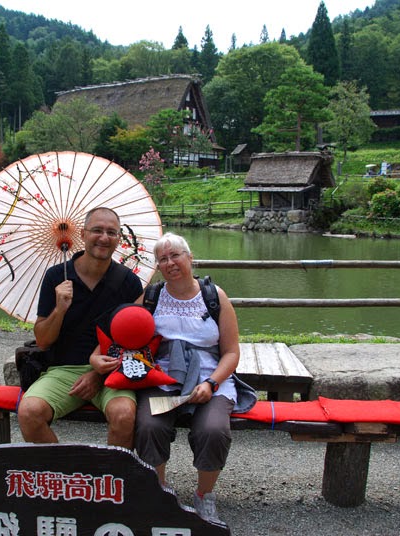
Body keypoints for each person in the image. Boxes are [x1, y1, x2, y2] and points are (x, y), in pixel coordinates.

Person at [129, 232, 255, 524]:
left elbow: (231, 352)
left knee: (213, 430)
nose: (170, 263)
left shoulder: (215, 296)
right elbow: (124, 329)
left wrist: (211, 384)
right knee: (149, 426)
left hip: (210, 377)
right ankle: (158, 491)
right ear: (158, 266)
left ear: (190, 257)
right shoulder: (151, 296)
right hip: (162, 378)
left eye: (176, 256)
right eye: (163, 259)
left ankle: (204, 495)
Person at [17, 207, 143, 449]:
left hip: (112, 370)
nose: (104, 238)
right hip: (64, 370)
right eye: (97, 230)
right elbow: (43, 341)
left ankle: (111, 480)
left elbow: (136, 340)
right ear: (83, 234)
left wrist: (97, 375)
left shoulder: (128, 281)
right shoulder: (56, 277)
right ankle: (68, 474)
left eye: (111, 232)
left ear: (118, 240)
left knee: (124, 415)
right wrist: (60, 309)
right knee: (29, 412)